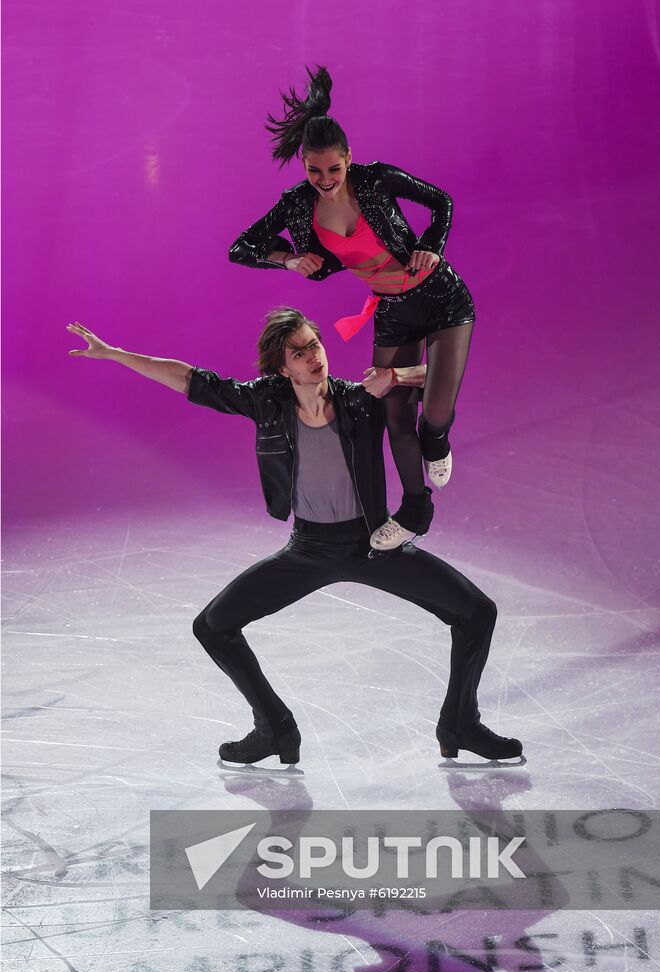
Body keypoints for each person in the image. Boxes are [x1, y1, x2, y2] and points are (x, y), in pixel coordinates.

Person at [66, 311, 522, 766]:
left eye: (314, 346)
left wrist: (394, 375)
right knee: (212, 626)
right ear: (283, 368)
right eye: (298, 353)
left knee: (477, 613)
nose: (312, 358)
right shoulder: (267, 401)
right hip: (309, 550)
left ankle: (459, 722)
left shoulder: (359, 399)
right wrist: (114, 354)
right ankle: (275, 728)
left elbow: (441, 376)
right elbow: (191, 380)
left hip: (374, 545)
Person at [229, 67, 476, 552]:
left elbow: (440, 202)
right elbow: (241, 246)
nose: (324, 180)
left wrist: (431, 245)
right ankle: (414, 510)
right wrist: (287, 258)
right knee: (394, 414)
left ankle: (439, 438)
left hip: (442, 298)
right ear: (304, 166)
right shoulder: (299, 204)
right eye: (314, 171)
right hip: (392, 311)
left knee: (436, 411)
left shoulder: (377, 180)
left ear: (348, 159)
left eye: (333, 169)